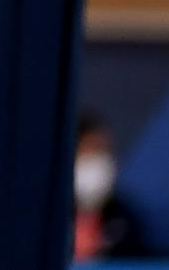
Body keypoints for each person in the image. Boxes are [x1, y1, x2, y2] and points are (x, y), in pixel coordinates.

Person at [71, 111, 148, 261]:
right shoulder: (47, 218)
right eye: (89, 151)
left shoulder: (125, 218)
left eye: (102, 151)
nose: (97, 160)